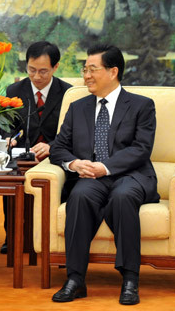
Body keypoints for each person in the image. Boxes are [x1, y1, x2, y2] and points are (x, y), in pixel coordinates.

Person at [49, 44, 159, 305]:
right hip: (91, 178)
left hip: (130, 176)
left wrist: (106, 167)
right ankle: (75, 279)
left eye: (92, 69)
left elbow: (141, 149)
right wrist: (75, 164)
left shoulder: (141, 106)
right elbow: (58, 148)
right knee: (79, 196)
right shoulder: (78, 108)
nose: (86, 75)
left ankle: (130, 279)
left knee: (123, 197)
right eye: (84, 69)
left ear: (113, 72)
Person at [0, 41, 72, 254]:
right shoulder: (14, 91)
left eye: (43, 71)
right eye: (31, 70)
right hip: (21, 156)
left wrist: (52, 146)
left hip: (53, 156)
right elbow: (6, 127)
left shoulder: (68, 93)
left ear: (55, 67)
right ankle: (12, 236)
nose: (37, 76)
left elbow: (74, 133)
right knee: (11, 179)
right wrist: (8, 138)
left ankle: (51, 239)